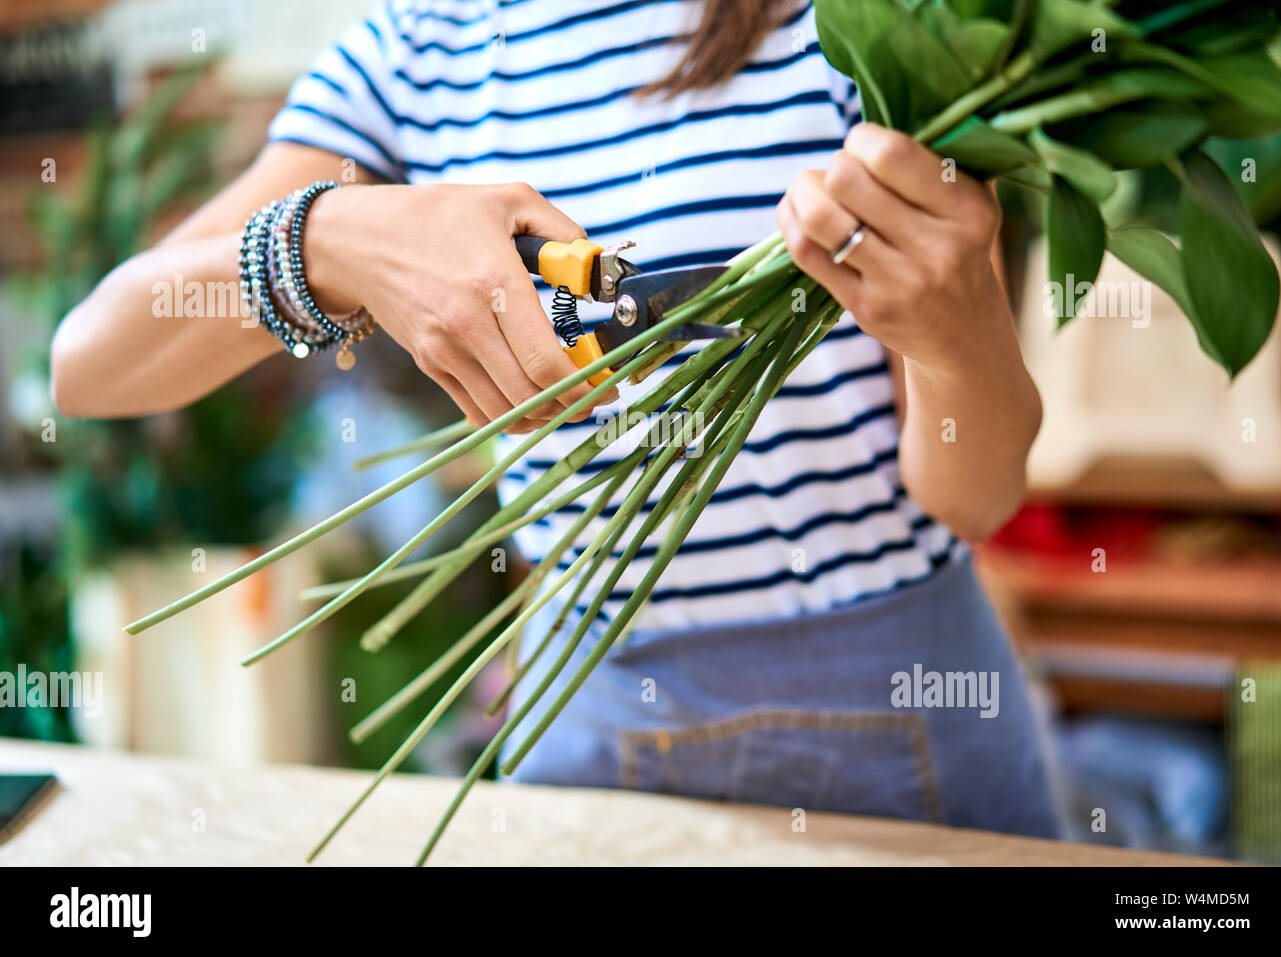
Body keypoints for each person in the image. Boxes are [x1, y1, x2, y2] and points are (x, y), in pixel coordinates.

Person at [51, 0, 1057, 837]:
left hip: (890, 699)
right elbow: (91, 362)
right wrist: (333, 237)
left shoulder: (854, 22)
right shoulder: (419, 48)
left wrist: (956, 330)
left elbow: (973, 497)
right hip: (588, 700)